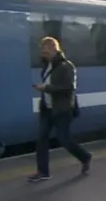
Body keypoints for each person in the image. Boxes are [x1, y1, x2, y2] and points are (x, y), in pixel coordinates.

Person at [28, 37, 91, 182]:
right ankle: (43, 172)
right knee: (42, 139)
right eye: (42, 51)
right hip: (47, 109)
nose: (43, 54)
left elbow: (69, 87)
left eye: (46, 51)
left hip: (62, 109)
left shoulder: (67, 66)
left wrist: (46, 88)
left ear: (54, 49)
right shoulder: (47, 66)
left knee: (64, 139)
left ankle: (85, 157)